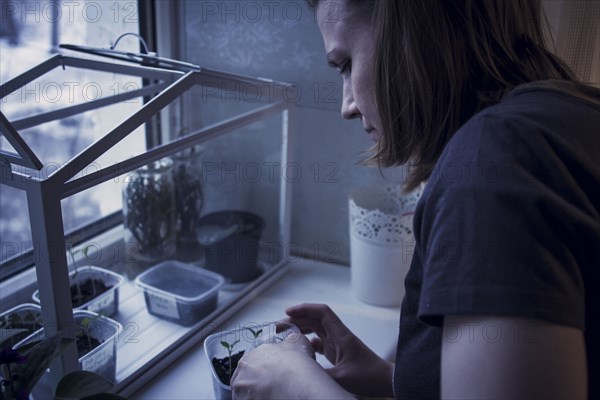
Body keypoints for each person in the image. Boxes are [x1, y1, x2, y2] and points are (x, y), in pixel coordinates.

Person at [230, 0, 600, 398]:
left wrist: (296, 389)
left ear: (411, 31)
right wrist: (395, 377)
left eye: (347, 64)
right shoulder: (571, 116)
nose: (347, 107)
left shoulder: (493, 163)